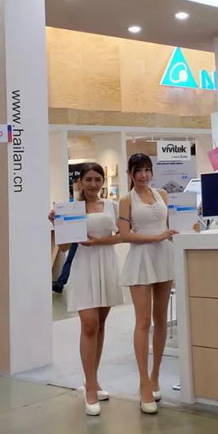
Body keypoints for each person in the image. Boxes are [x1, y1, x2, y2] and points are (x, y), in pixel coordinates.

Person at [49, 163, 123, 416]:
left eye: (97, 179)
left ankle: (93, 380)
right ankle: (90, 387)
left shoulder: (113, 206)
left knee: (100, 325)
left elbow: (123, 236)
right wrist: (59, 224)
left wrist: (100, 241)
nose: (93, 184)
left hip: (107, 264)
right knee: (89, 324)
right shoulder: (71, 209)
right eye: (88, 179)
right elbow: (63, 248)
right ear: (80, 182)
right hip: (83, 267)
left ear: (102, 181)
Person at [117, 153, 179, 414]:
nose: (143, 175)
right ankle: (143, 383)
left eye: (147, 170)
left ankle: (155, 376)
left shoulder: (162, 195)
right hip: (141, 260)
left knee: (161, 319)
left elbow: (172, 227)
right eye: (138, 170)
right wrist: (156, 238)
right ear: (130, 174)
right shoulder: (126, 200)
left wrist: (188, 230)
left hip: (164, 257)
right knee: (143, 321)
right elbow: (124, 235)